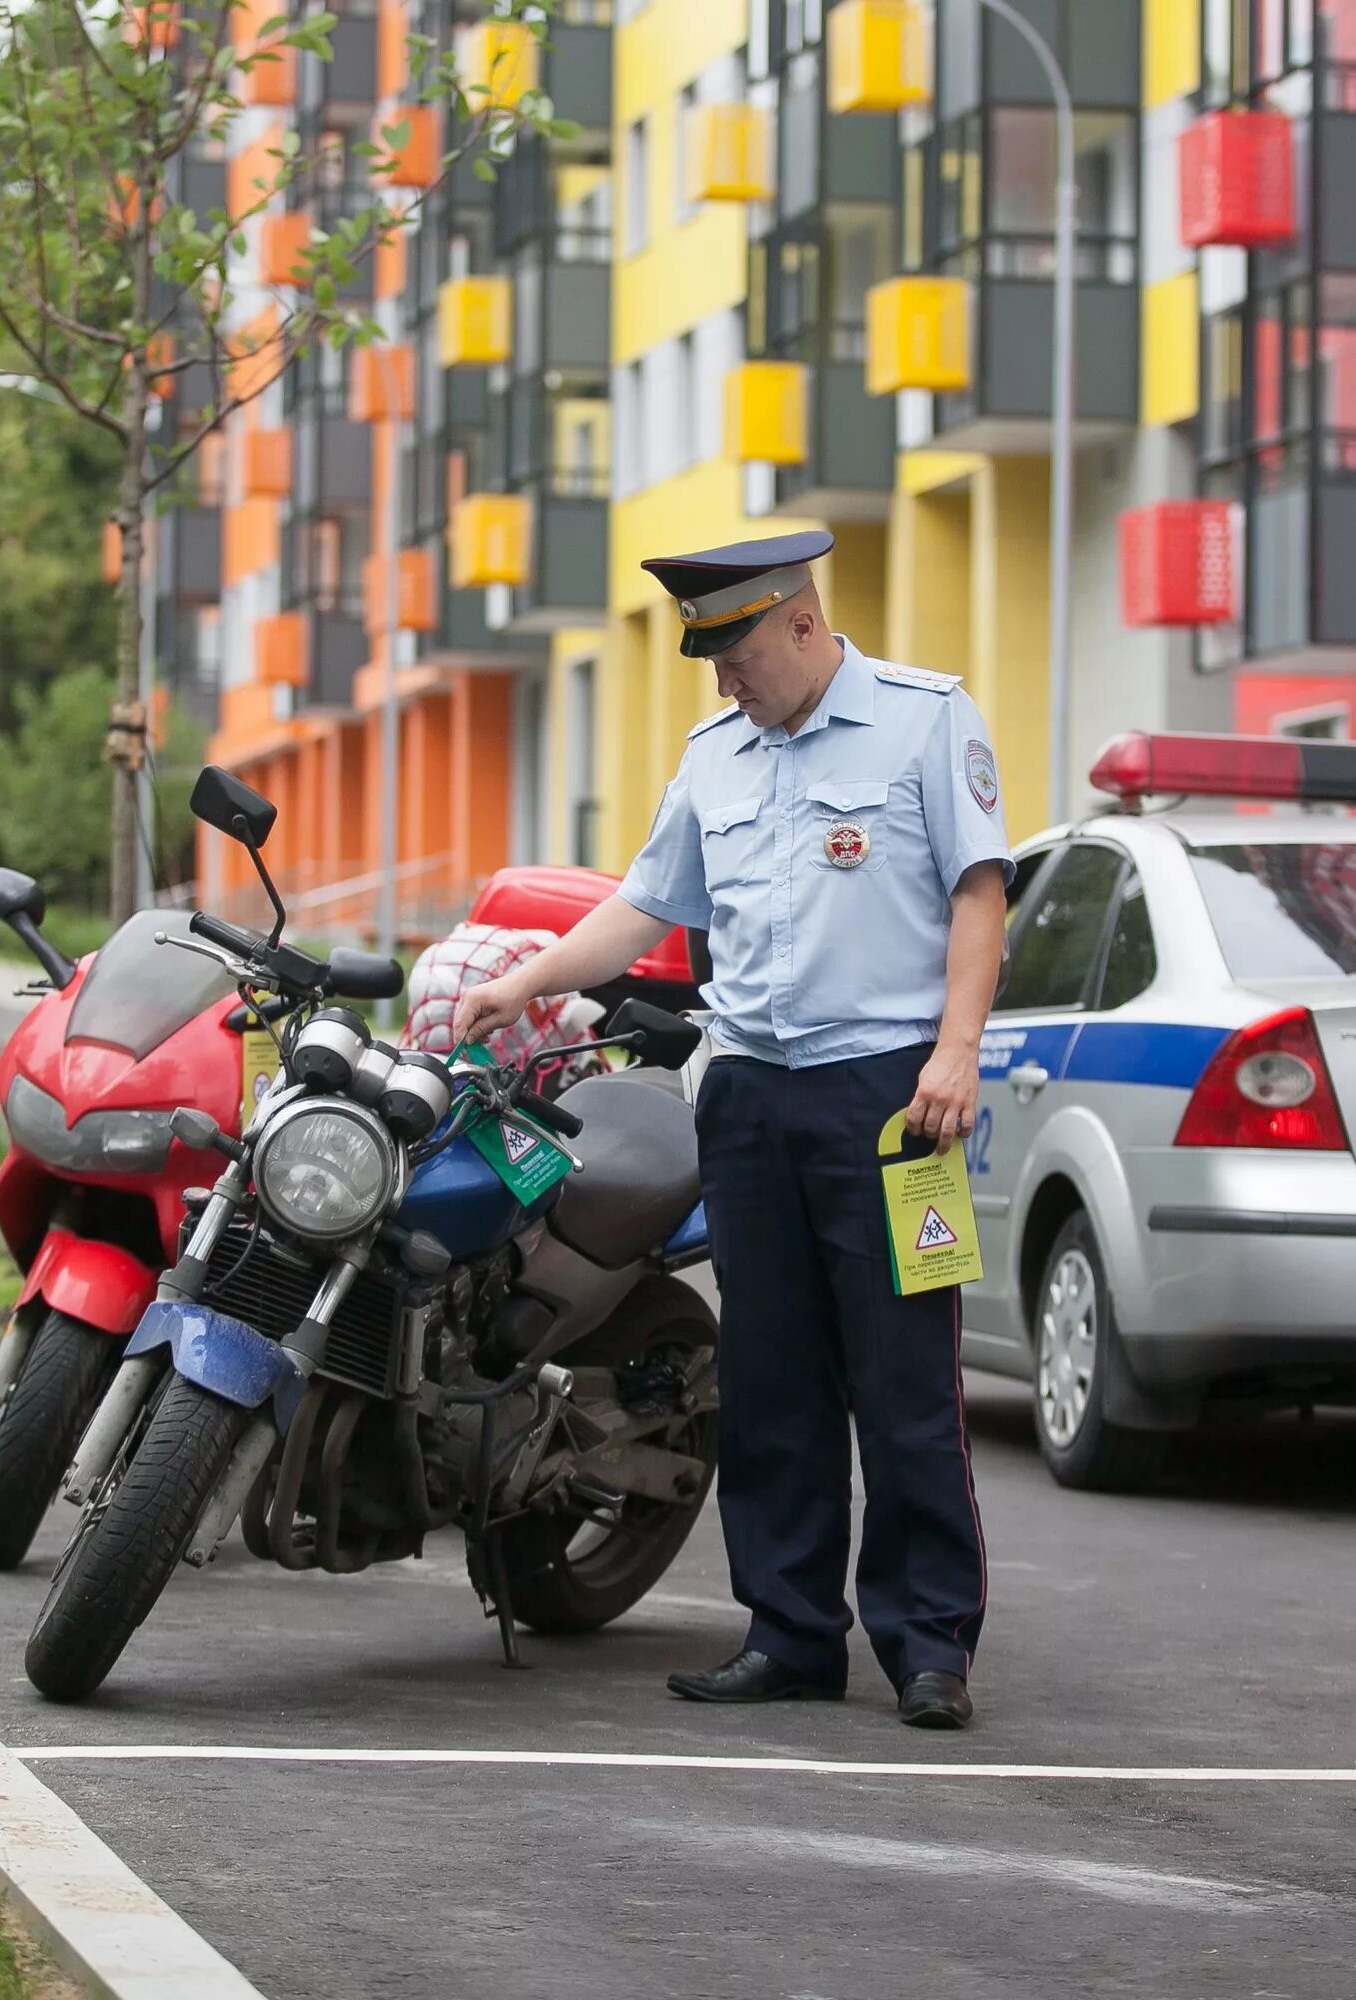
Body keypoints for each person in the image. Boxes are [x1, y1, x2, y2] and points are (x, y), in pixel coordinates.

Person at [451, 529, 1011, 1730]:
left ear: (802, 622)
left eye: (739, 652)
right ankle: (791, 1630)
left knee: (903, 1375)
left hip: (892, 1101)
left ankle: (928, 1644)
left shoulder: (927, 720)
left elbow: (980, 891)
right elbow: (645, 902)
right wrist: (525, 982)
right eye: (712, 660)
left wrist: (956, 1049)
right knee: (770, 1375)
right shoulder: (716, 757)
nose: (724, 682)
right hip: (749, 1093)